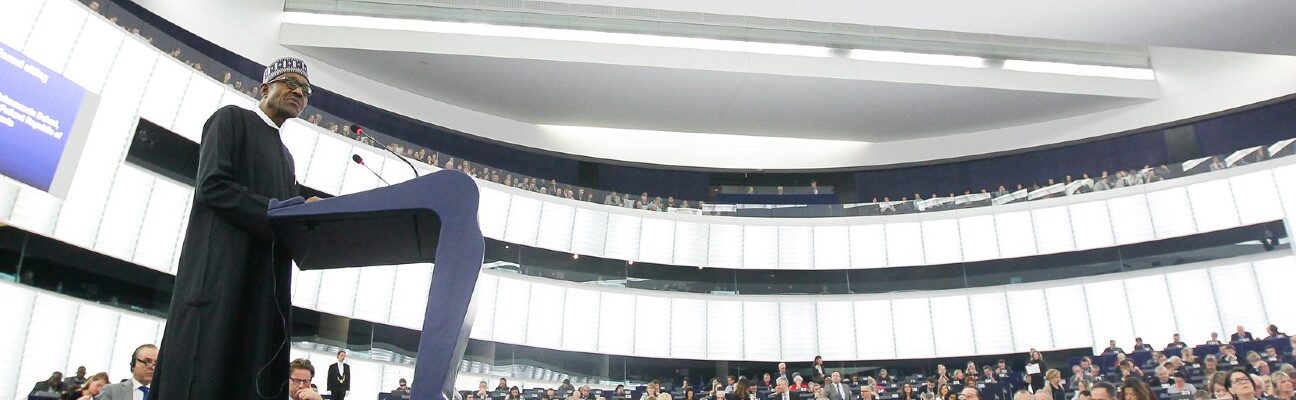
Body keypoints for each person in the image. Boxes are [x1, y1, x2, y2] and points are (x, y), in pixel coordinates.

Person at [153, 57, 319, 400]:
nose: (298, 93)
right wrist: (276, 210)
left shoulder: (286, 157)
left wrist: (309, 214)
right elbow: (212, 185)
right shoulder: (231, 119)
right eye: (290, 83)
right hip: (220, 275)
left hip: (263, 286)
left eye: (305, 90)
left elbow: (285, 218)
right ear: (265, 88)